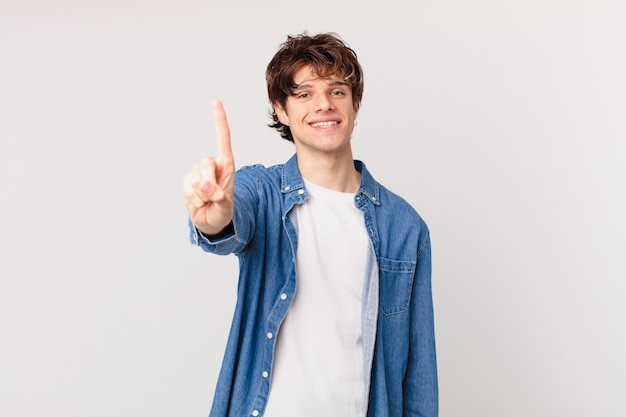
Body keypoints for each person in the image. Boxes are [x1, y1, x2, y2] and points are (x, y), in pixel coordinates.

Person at [182, 32, 438, 417]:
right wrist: (216, 219)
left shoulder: (404, 227)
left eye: (337, 91)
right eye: (304, 93)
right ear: (281, 110)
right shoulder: (261, 192)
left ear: (354, 104)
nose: (324, 104)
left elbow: (419, 376)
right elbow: (231, 221)